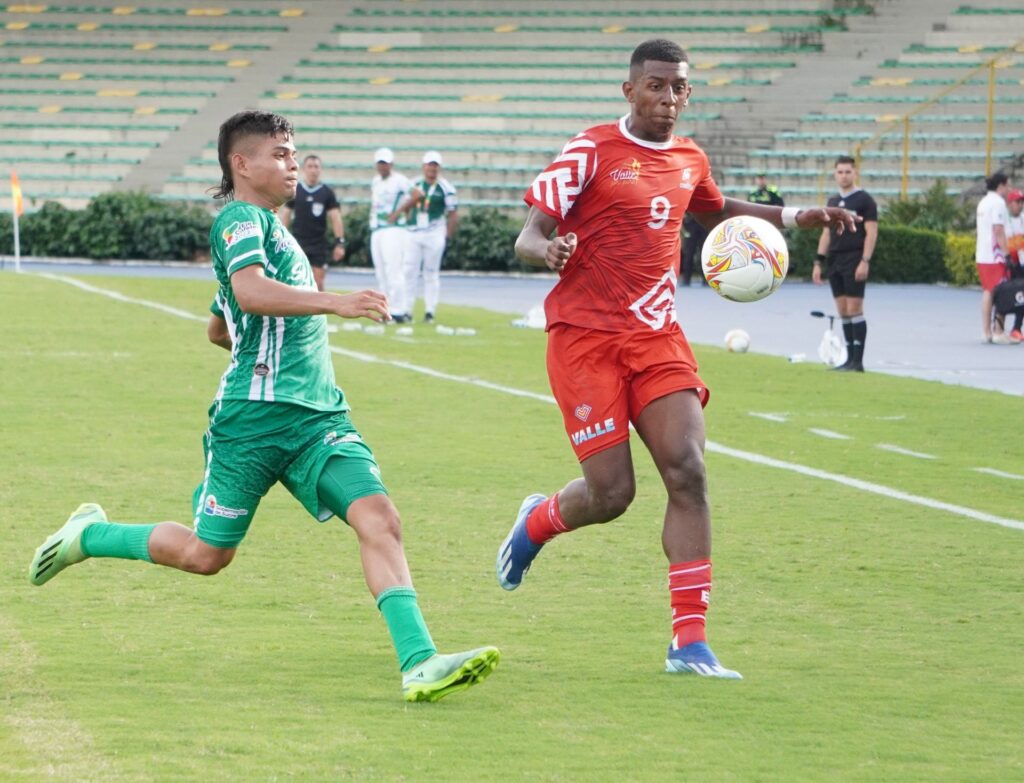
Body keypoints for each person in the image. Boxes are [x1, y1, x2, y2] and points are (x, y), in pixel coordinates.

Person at [28, 111, 499, 703]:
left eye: (294, 153)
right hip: (252, 423)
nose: (293, 164)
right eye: (279, 154)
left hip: (317, 419)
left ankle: (419, 662)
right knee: (206, 555)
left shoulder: (274, 233)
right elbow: (247, 293)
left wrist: (258, 338)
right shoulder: (238, 219)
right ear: (240, 164)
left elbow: (218, 327)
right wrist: (334, 302)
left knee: (380, 519)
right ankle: (90, 535)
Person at [495, 39, 858, 680]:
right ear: (630, 90)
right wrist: (542, 252)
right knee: (613, 494)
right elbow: (530, 231)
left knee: (687, 471)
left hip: (657, 337)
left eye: (680, 88)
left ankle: (689, 644)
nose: (669, 99)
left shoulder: (690, 157)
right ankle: (537, 524)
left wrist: (796, 214)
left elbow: (714, 208)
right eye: (657, 86)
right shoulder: (590, 149)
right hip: (584, 338)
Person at [812, 156, 878, 372]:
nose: (844, 176)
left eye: (848, 171)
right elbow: (826, 234)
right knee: (842, 309)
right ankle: (848, 359)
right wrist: (818, 261)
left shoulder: (864, 200)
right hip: (835, 259)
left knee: (855, 308)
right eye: (840, 172)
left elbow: (871, 232)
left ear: (855, 172)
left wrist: (865, 261)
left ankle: (858, 361)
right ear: (835, 174)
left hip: (854, 257)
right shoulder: (832, 202)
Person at [395, 150, 459, 323]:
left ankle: (430, 311)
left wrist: (448, 236)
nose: (432, 168)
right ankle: (406, 309)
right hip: (414, 232)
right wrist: (407, 216)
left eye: (435, 165)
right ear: (423, 166)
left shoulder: (446, 187)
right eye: (429, 165)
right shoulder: (414, 184)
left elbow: (453, 213)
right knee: (409, 270)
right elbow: (405, 203)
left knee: (431, 272)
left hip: (434, 232)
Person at [279, 154, 345, 292]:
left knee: (318, 283)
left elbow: (336, 218)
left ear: (320, 169)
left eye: (316, 167)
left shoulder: (327, 192)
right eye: (310, 166)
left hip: (318, 245)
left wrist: (340, 242)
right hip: (297, 243)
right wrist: (280, 238)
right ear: (303, 169)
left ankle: (319, 314)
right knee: (294, 282)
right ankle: (296, 313)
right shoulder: (295, 190)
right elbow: (285, 214)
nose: (313, 170)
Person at [369, 147, 412, 323]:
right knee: (381, 271)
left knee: (393, 269)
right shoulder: (376, 181)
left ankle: (400, 309)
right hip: (377, 228)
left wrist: (399, 212)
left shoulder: (400, 180)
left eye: (385, 163)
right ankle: (387, 308)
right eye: (380, 163)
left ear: (391, 164)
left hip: (394, 229)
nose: (383, 166)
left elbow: (417, 194)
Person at [975, 172, 1013, 344]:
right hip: (994, 255)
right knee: (1001, 291)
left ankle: (986, 331)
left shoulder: (983, 202)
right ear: (1001, 186)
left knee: (988, 290)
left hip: (983, 253)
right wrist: (1006, 254)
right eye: (1008, 185)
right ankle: (998, 331)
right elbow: (998, 230)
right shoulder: (998, 203)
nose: (1009, 189)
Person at [1003, 188, 1024, 341]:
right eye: (1017, 202)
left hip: (1022, 264)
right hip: (1010, 264)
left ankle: (1016, 328)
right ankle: (998, 328)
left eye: (1022, 202)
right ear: (1010, 203)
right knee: (1010, 296)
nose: (1020, 204)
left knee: (1022, 297)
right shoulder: (1003, 220)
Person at [680, 211, 708, 287]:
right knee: (689, 253)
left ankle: (706, 279)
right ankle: (686, 279)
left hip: (704, 222)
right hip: (690, 222)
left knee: (705, 253)